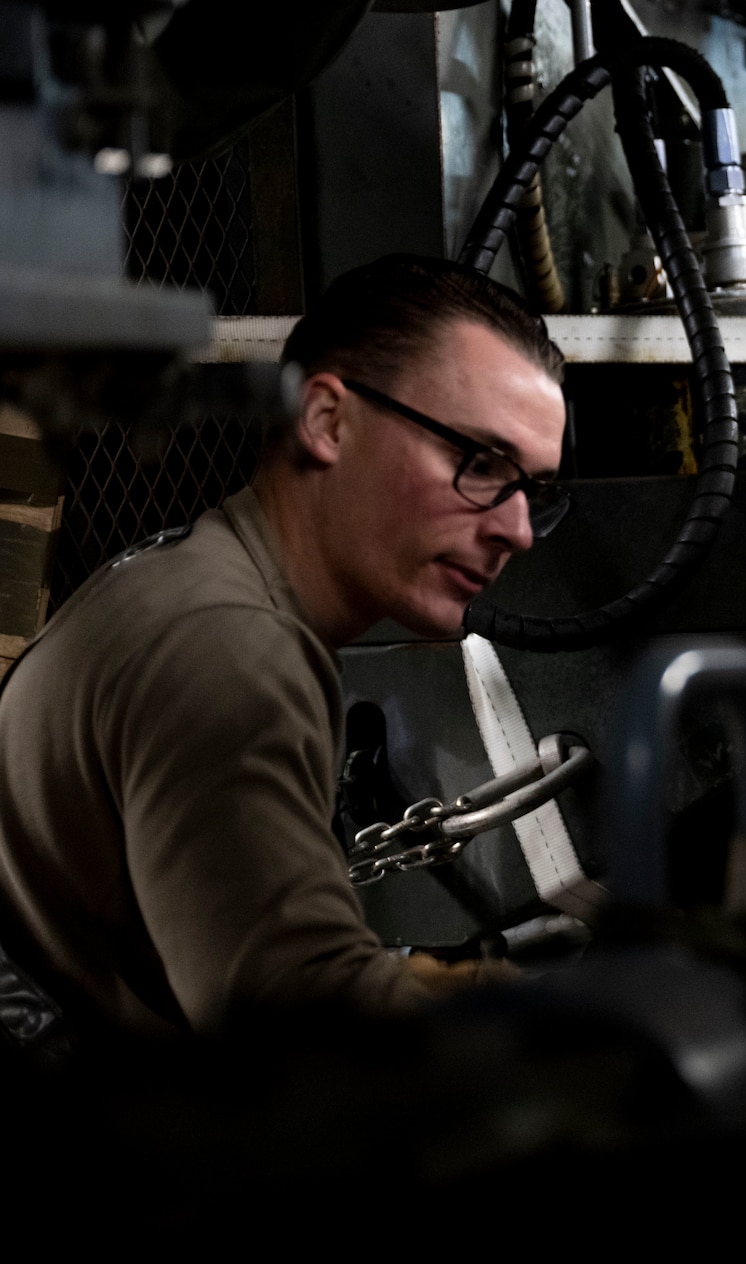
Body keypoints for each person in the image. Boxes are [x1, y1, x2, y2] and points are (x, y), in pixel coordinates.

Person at [0, 255, 569, 1036]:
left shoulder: (195, 575)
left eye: (533, 488)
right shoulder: (230, 650)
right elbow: (291, 1028)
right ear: (327, 421)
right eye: (479, 463)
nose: (518, 529)